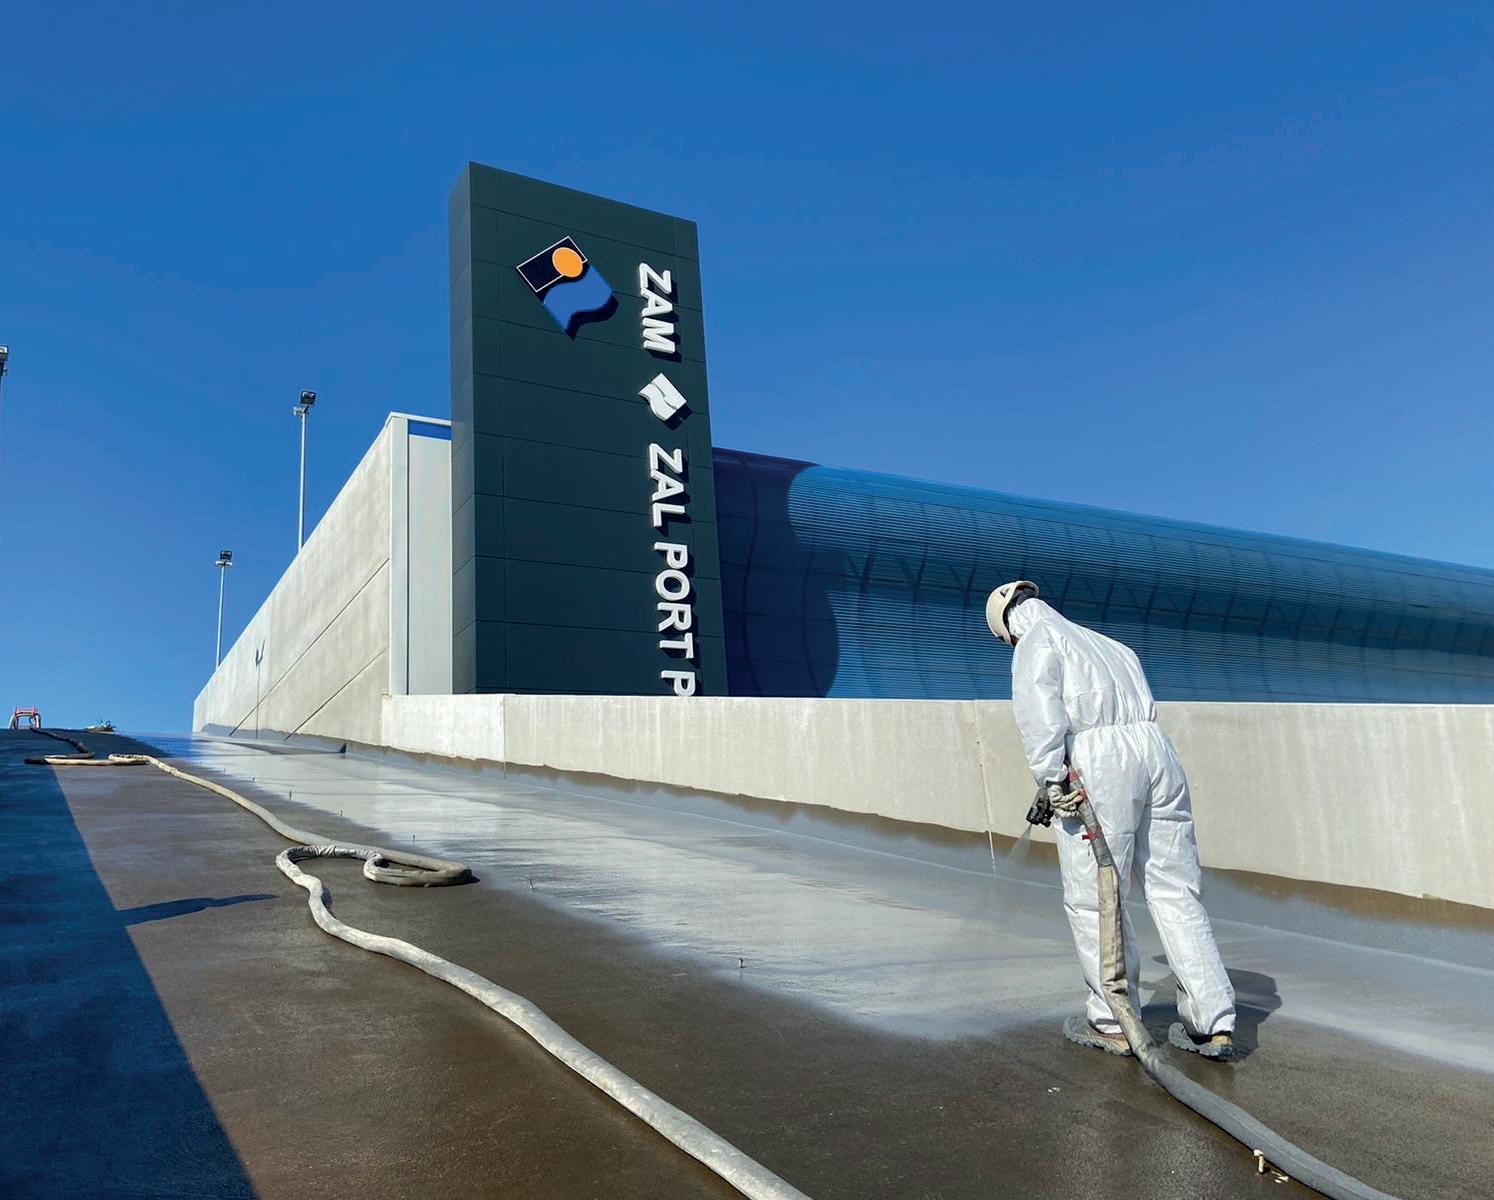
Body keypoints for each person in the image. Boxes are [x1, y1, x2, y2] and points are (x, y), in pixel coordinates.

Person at [986, 580, 1236, 1060]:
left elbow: (1040, 717)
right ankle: (1213, 1023)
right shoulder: (1112, 646)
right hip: (1158, 756)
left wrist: (1051, 779)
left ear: (1008, 628)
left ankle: (1112, 1020)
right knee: (1175, 890)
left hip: (1101, 766)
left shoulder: (1037, 640)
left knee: (1097, 896)